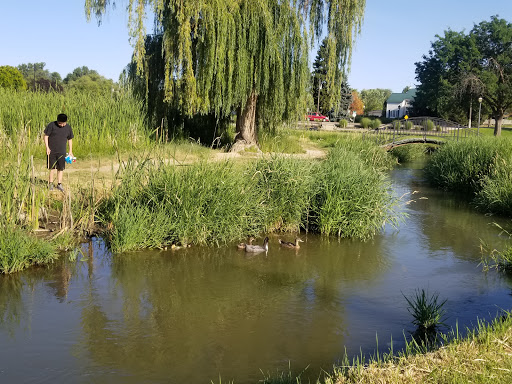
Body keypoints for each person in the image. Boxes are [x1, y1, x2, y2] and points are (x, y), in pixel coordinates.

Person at [44, 113, 74, 192]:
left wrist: (70, 151)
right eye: (60, 123)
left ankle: (59, 184)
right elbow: (46, 136)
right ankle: (50, 184)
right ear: (57, 121)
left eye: (63, 123)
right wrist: (47, 147)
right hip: (51, 151)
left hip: (62, 152)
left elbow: (70, 139)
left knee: (61, 168)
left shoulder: (68, 128)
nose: (62, 125)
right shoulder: (51, 125)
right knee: (52, 168)